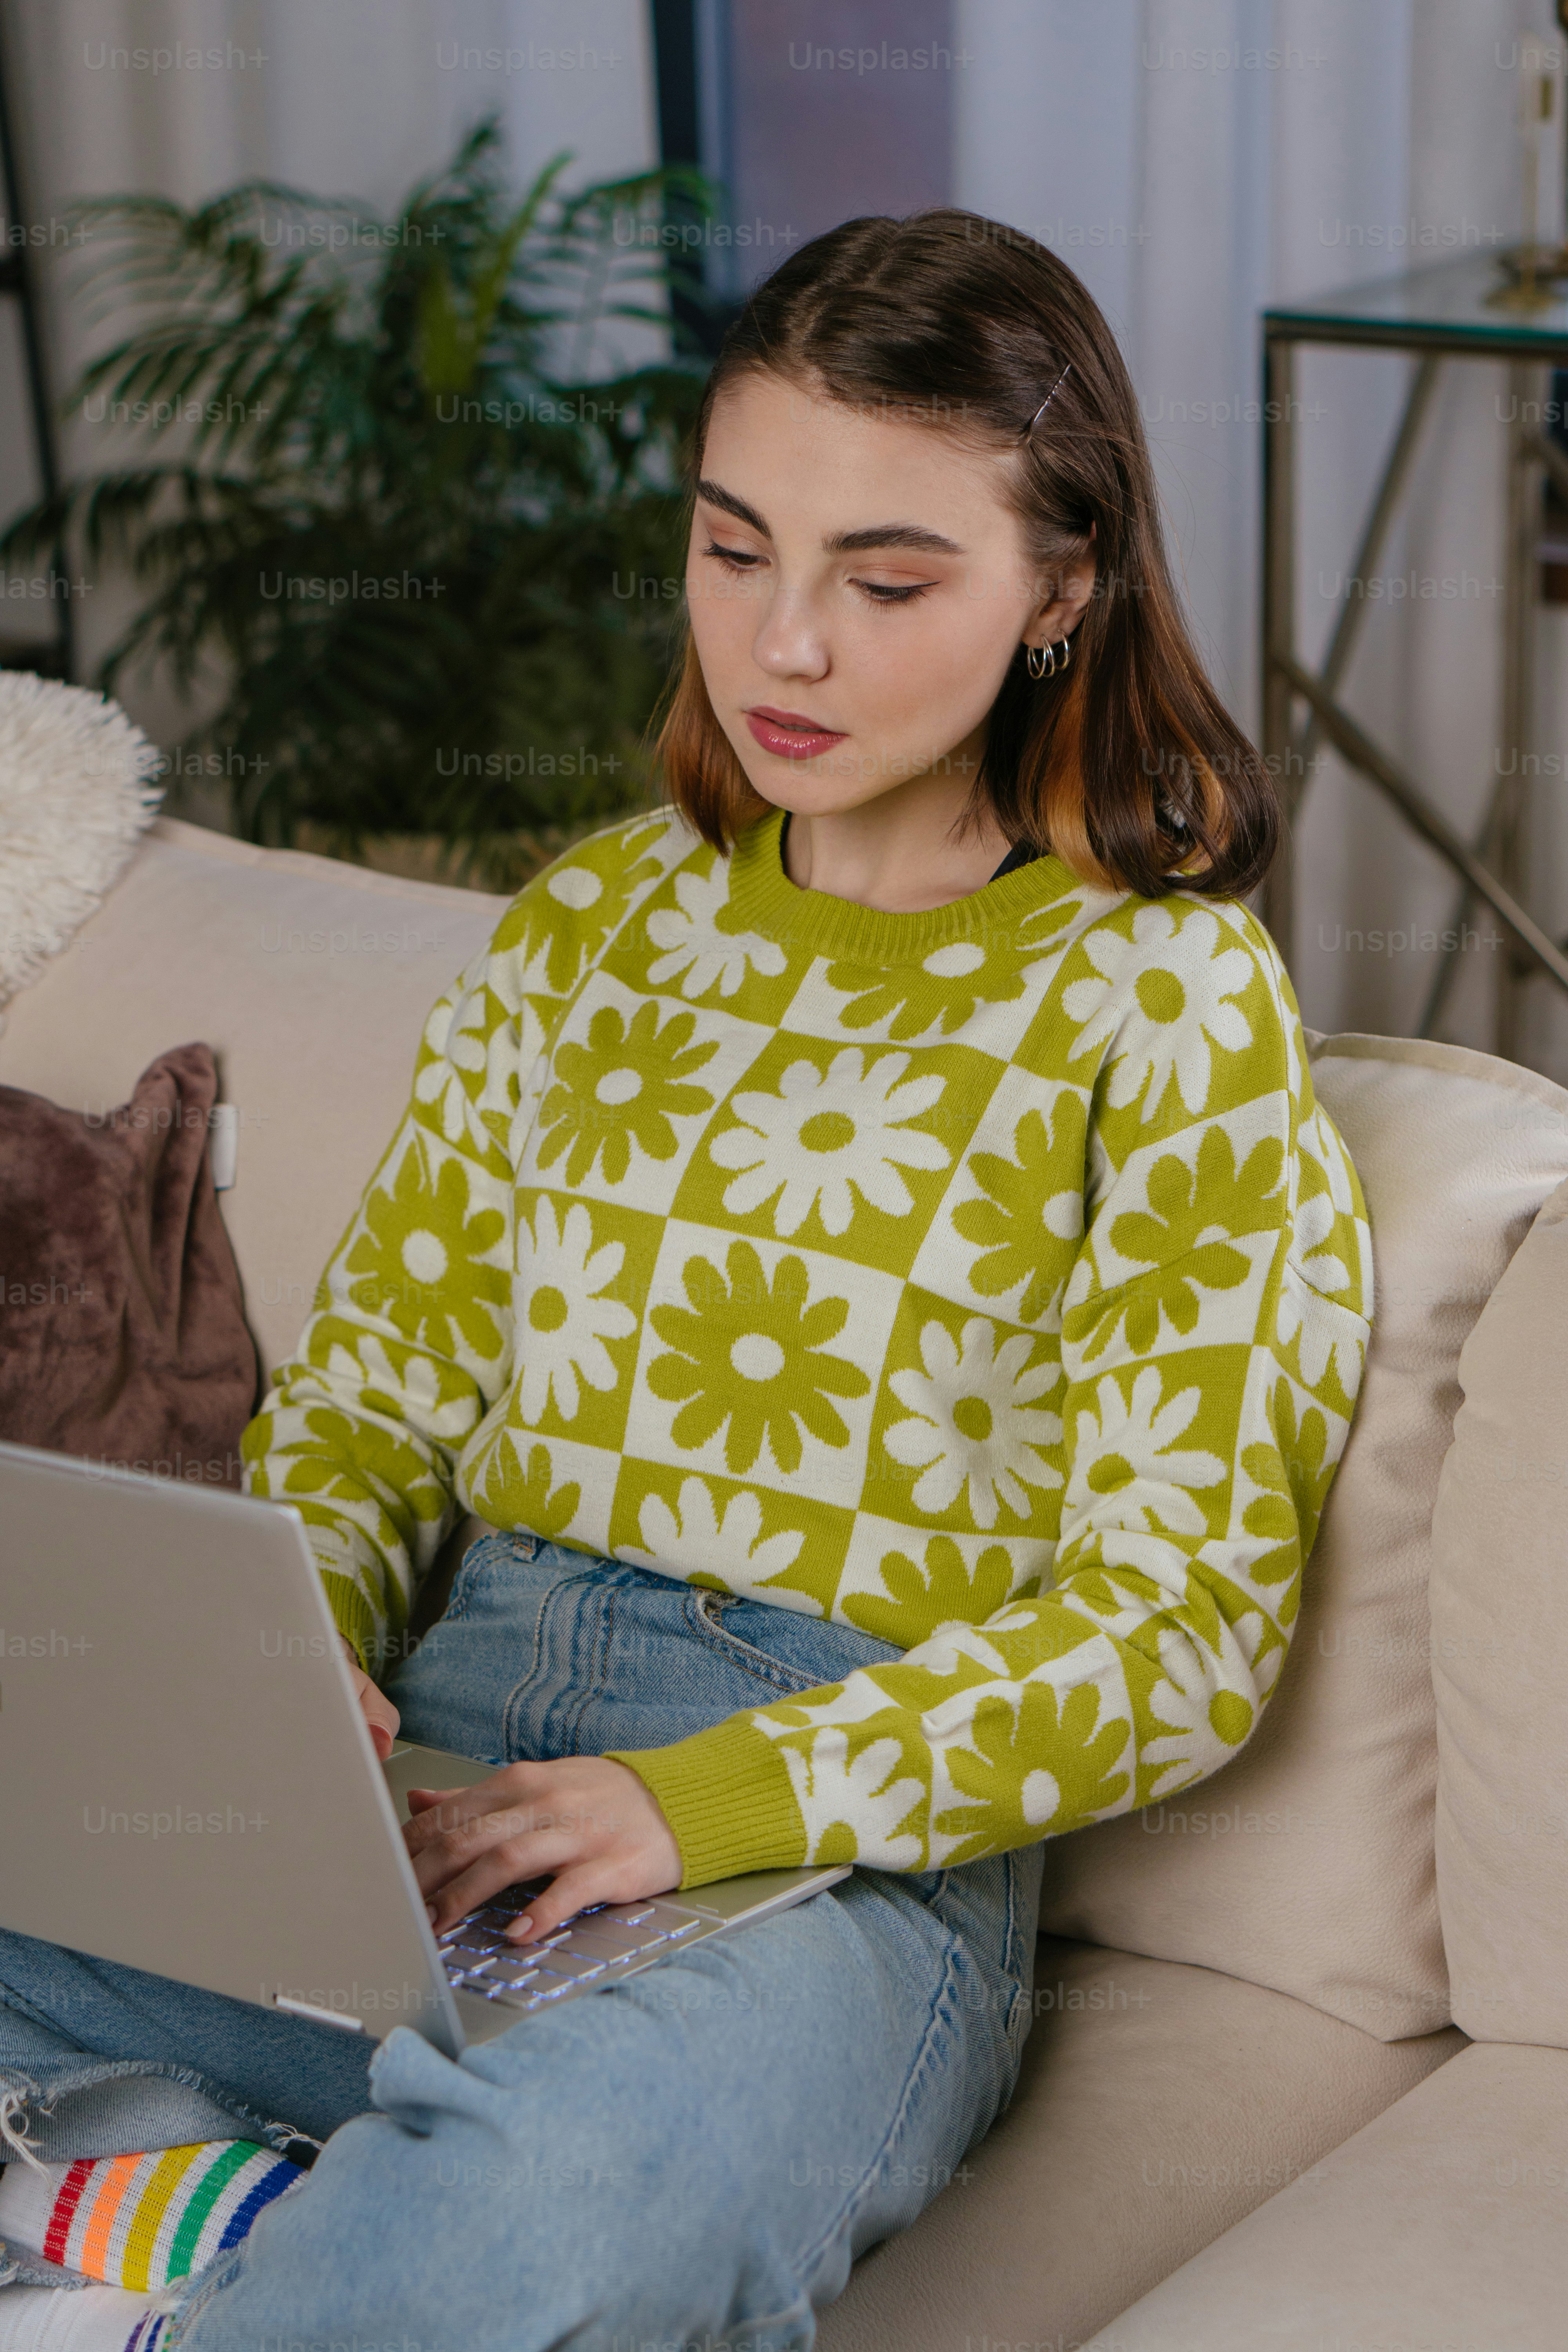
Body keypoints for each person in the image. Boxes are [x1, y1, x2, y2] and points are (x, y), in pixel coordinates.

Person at [0, 210, 1371, 2352]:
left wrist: (694, 1802)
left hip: (836, 1860)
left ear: (1063, 593)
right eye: (736, 550)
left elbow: (1180, 1621)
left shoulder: (1166, 1005)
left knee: (552, 2210)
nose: (783, 646)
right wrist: (305, 1660)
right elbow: (367, 1403)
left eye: (887, 579)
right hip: (434, 1794)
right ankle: (209, 2200)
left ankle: (197, 2233)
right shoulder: (589, 931)